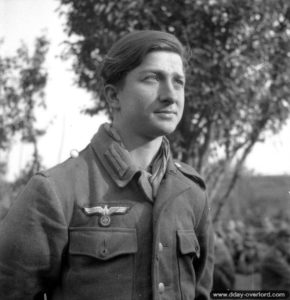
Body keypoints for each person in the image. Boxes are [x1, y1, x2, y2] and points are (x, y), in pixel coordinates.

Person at [0, 30, 214, 300]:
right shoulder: (56, 190)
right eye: (152, 78)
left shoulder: (192, 191)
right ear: (113, 96)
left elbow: (203, 290)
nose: (171, 95)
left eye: (178, 82)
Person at [260, 228, 290, 293]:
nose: (289, 245)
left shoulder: (282, 252)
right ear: (277, 240)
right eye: (286, 241)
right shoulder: (273, 256)